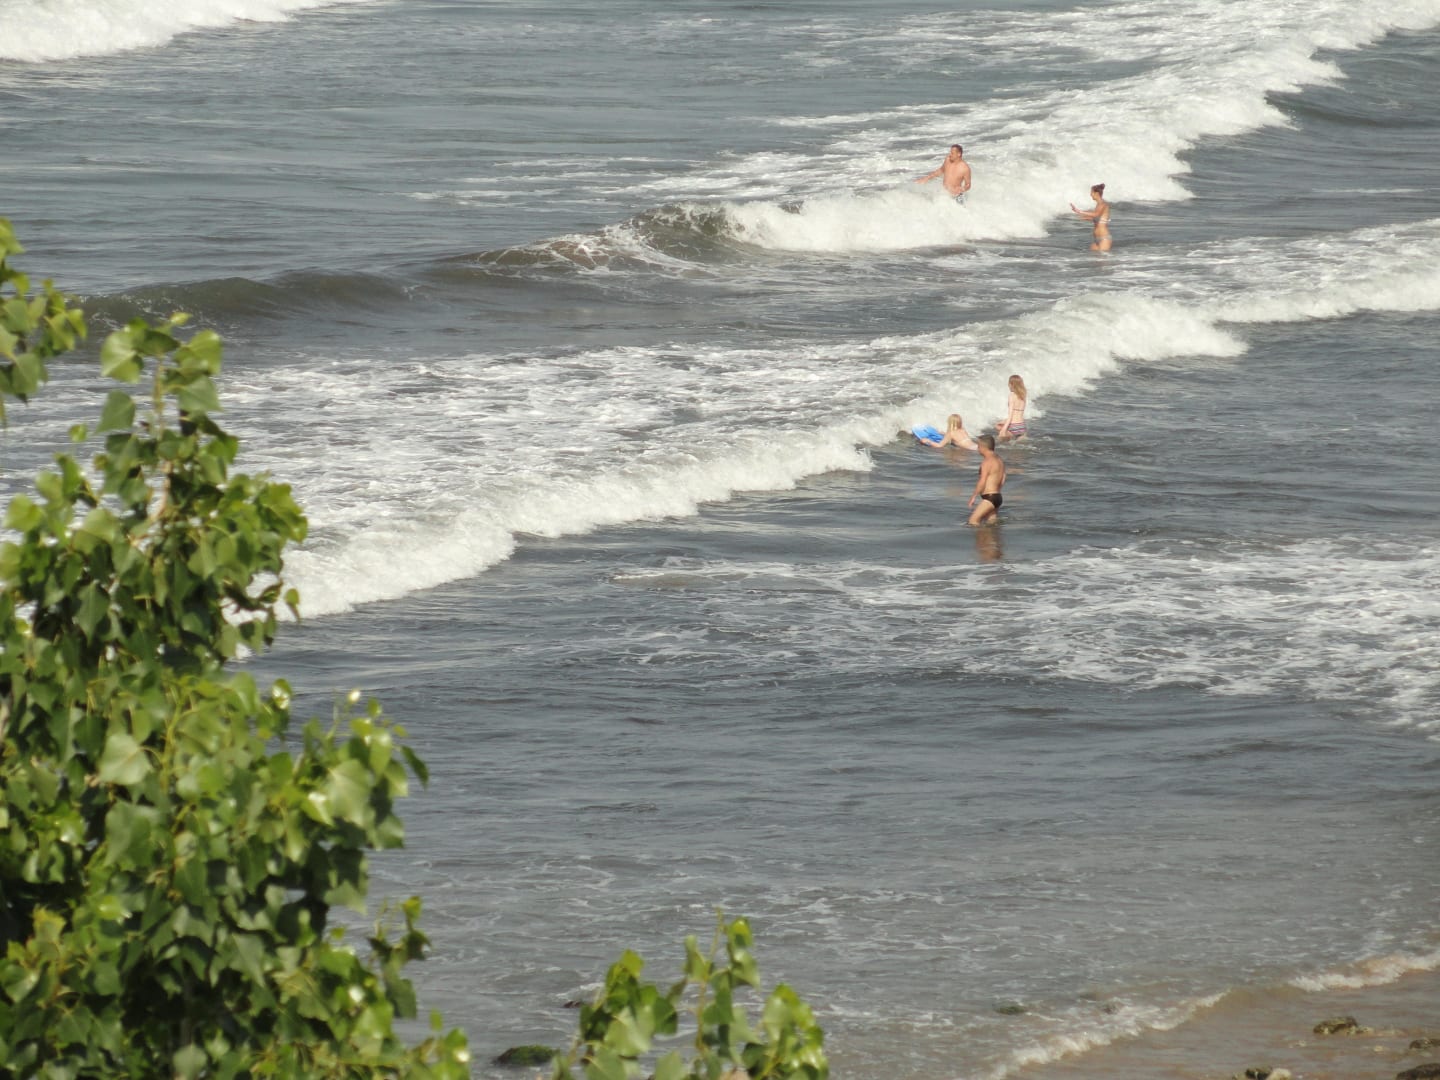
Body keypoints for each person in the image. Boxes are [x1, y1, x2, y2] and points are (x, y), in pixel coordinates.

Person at [967, 434, 1007, 526]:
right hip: (997, 496)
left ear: (983, 447)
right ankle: (990, 536)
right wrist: (997, 490)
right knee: (991, 524)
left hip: (990, 498)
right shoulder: (999, 460)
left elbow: (982, 481)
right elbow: (1003, 477)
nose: (978, 449)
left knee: (973, 521)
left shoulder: (987, 462)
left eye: (978, 446)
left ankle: (980, 535)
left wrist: (973, 496)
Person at [1070, 183, 1111, 251]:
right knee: (1091, 257)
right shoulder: (1098, 205)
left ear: (1096, 193)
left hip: (1104, 239)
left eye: (1091, 192)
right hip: (1096, 239)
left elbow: (1096, 214)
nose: (1090, 194)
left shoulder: (1102, 204)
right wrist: (1083, 217)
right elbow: (1098, 219)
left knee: (1102, 258)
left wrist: (1080, 211)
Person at [995, 374, 1028, 441]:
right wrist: (1004, 421)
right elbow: (1018, 414)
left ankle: (1008, 437)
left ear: (1012, 384)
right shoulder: (1023, 396)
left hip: (1013, 426)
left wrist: (1003, 430)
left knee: (997, 427)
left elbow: (1011, 415)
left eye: (1009, 383)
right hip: (1022, 427)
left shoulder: (1012, 395)